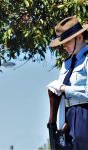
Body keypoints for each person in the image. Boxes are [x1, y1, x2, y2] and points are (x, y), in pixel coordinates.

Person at [47, 16, 88, 150]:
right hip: (68, 117)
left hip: (84, 114)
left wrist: (65, 89)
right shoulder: (66, 64)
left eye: (67, 42)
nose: (64, 46)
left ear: (80, 37)